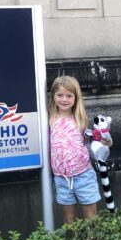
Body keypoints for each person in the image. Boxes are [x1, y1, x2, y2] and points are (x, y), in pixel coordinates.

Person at [48, 75, 101, 224]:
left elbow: (97, 143)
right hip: (61, 178)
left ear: (76, 97)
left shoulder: (80, 118)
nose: (64, 99)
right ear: (53, 96)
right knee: (68, 219)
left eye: (69, 96)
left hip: (83, 175)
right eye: (60, 95)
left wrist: (106, 140)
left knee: (91, 218)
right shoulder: (50, 118)